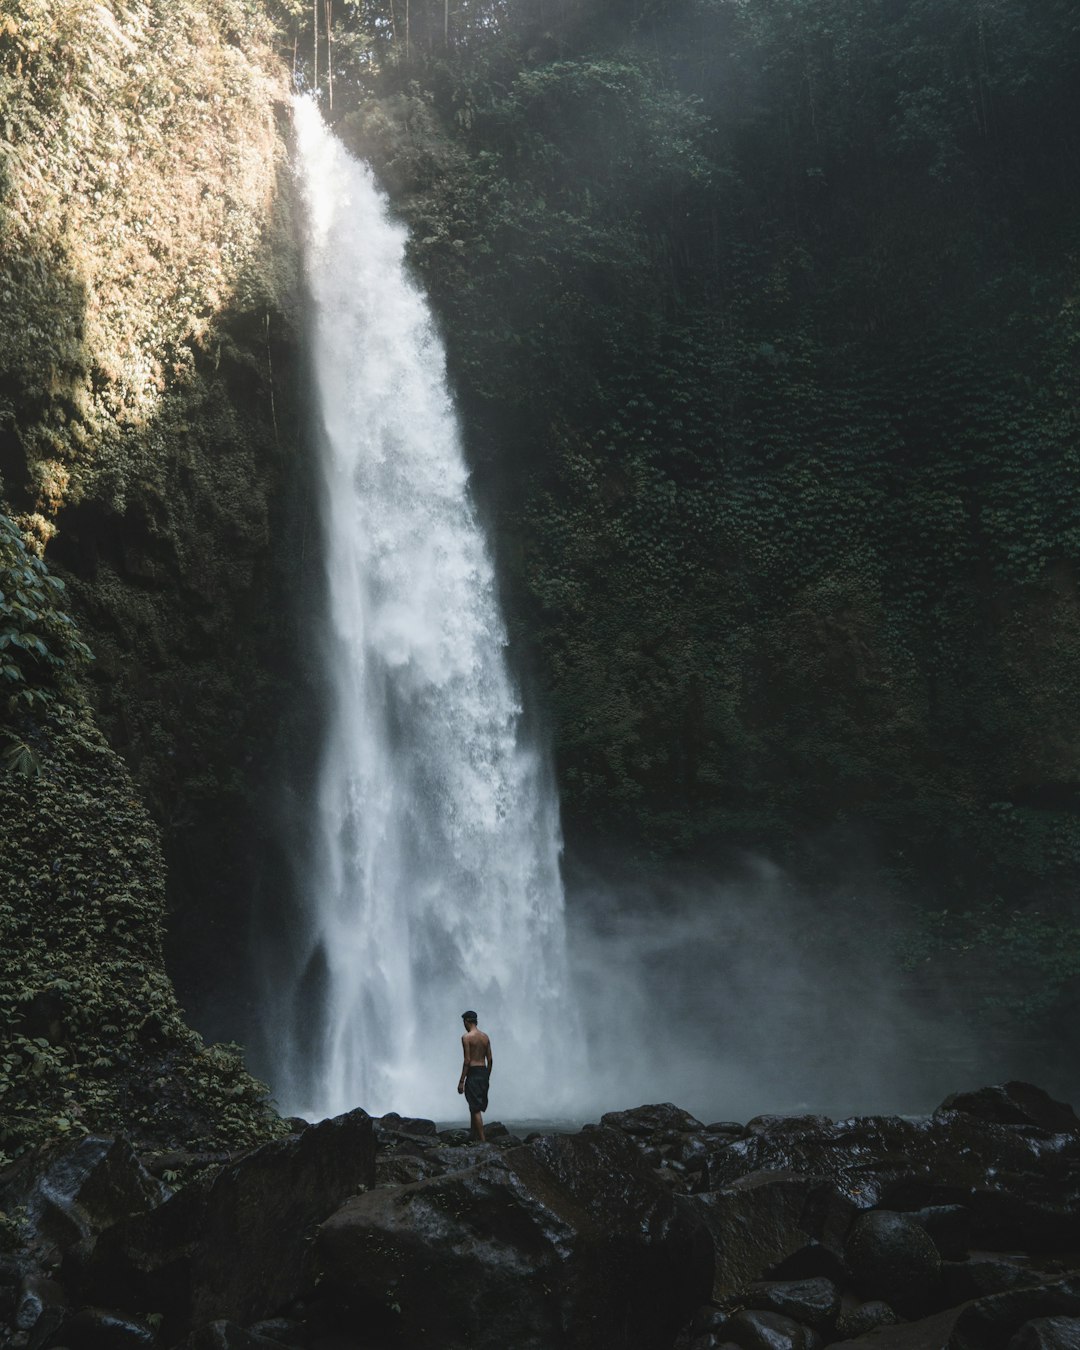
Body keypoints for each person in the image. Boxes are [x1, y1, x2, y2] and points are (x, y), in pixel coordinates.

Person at [457, 1010, 493, 1141]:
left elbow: (467, 1060)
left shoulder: (466, 1037)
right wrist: (487, 1076)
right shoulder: (485, 1037)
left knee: (475, 1108)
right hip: (483, 1071)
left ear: (467, 1021)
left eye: (464, 1022)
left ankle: (483, 1140)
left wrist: (461, 1081)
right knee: (474, 1105)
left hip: (472, 1072)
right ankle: (473, 1135)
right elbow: (490, 1060)